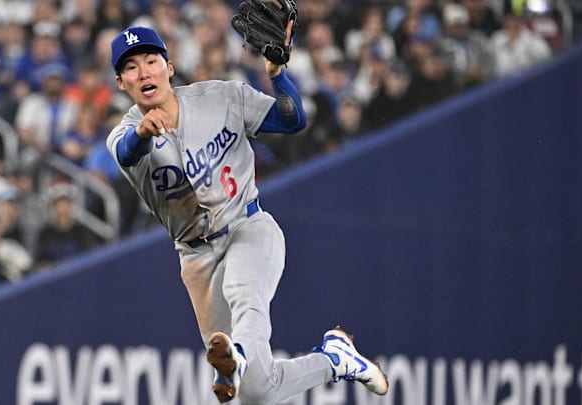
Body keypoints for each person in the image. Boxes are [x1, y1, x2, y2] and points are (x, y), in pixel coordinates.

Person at [105, 25, 389, 404]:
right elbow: (127, 152)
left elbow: (292, 121)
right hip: (195, 258)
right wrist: (141, 132)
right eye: (131, 68)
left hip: (247, 226)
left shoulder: (220, 96)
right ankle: (335, 360)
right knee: (257, 392)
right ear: (121, 82)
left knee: (245, 297)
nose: (143, 72)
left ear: (169, 67)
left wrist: (277, 75)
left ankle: (236, 356)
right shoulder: (123, 134)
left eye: (151, 61)